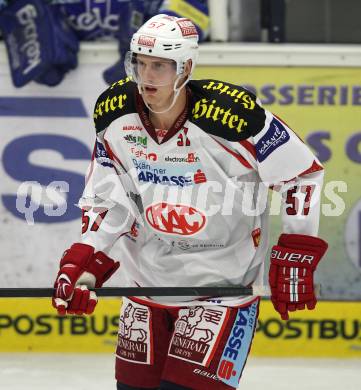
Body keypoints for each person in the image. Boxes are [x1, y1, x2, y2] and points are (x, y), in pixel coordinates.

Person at [52, 14, 328, 390]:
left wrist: (296, 250)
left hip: (222, 289)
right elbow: (110, 198)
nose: (147, 76)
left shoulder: (233, 117)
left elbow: (301, 174)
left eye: (160, 66)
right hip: (146, 286)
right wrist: (84, 259)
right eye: (140, 63)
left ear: (186, 68)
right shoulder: (114, 112)